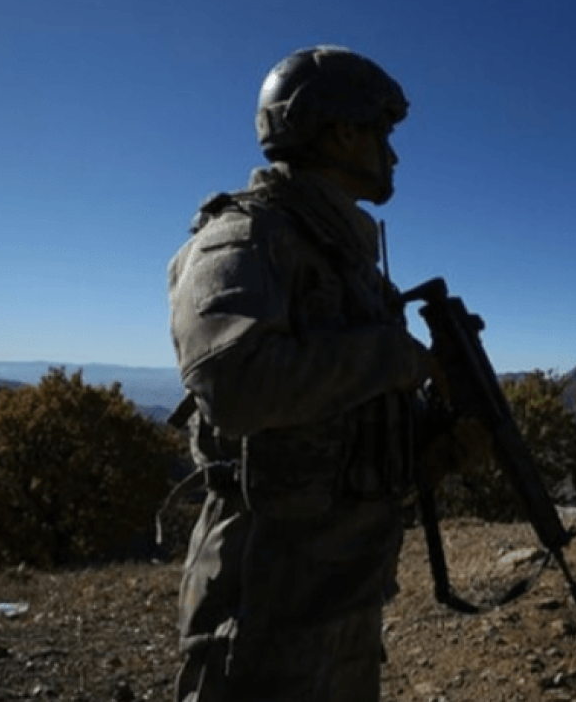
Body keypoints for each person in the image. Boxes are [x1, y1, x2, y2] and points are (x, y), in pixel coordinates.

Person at [167, 45, 434, 701]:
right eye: (381, 134)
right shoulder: (243, 237)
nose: (392, 155)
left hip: (344, 587)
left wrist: (438, 443)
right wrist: (395, 357)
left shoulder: (343, 256)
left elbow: (346, 414)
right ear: (341, 130)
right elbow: (235, 384)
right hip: (262, 599)